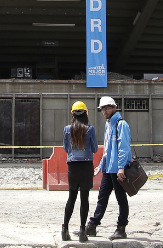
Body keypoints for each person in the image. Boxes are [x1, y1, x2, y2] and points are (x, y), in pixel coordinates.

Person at [85, 96, 130, 241]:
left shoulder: (121, 125)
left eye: (106, 109)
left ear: (114, 108)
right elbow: (106, 150)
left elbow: (123, 148)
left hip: (117, 169)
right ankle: (92, 225)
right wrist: (100, 165)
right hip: (108, 168)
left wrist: (121, 168)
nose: (104, 112)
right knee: (102, 197)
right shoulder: (108, 125)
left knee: (121, 198)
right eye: (102, 109)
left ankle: (121, 228)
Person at [61, 101, 98, 243]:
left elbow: (65, 148)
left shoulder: (67, 129)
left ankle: (64, 230)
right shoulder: (90, 129)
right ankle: (83, 232)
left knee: (71, 197)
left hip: (73, 166)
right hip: (86, 165)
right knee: (84, 199)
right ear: (86, 114)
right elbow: (94, 149)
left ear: (73, 115)